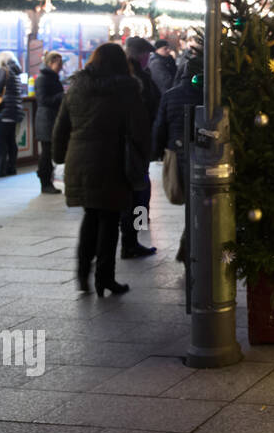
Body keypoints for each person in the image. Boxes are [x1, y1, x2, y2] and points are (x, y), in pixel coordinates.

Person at [53, 42, 150, 297]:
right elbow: (139, 129)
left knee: (91, 216)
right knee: (109, 219)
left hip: (79, 161)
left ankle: (83, 274)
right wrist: (144, 156)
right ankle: (105, 278)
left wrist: (58, 157)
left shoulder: (76, 87)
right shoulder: (126, 90)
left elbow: (61, 126)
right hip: (112, 161)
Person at [152, 48, 203, 262]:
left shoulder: (170, 95)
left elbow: (159, 127)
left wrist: (156, 152)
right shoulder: (205, 95)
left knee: (191, 202)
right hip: (200, 153)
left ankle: (188, 245)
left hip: (177, 152)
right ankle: (189, 246)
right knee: (199, 202)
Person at [119, 36, 161, 259]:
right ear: (140, 55)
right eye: (147, 55)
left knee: (135, 192)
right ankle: (131, 240)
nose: (148, 59)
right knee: (138, 192)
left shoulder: (124, 76)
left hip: (129, 146)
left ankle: (131, 238)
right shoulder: (138, 80)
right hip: (135, 146)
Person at [0, 51, 25, 177]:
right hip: (14, 112)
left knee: (0, 142)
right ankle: (11, 167)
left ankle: (0, 170)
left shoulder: (3, 71)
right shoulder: (15, 72)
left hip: (4, 112)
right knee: (10, 141)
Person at [34, 51, 65, 194]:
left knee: (50, 152)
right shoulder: (43, 78)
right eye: (58, 64)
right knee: (46, 153)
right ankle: (45, 182)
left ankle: (48, 180)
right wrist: (61, 96)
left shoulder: (52, 78)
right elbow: (43, 100)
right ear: (50, 62)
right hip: (46, 120)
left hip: (51, 119)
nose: (60, 67)